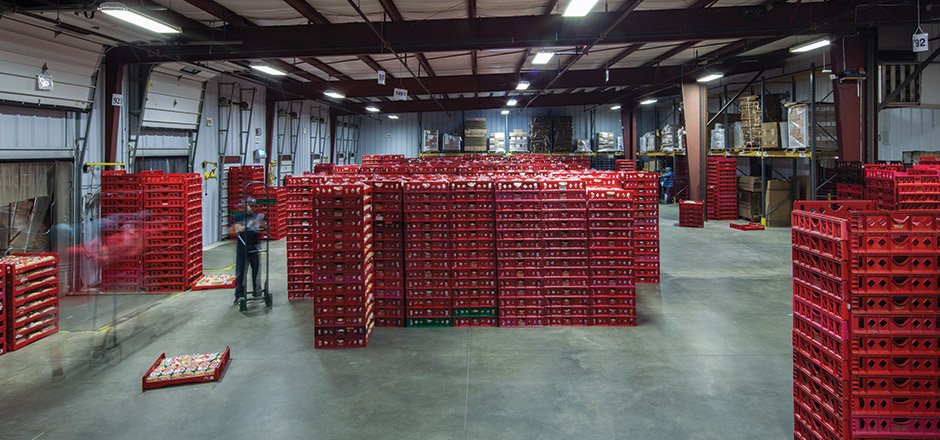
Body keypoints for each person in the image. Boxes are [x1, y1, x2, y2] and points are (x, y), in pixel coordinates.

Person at [230, 202, 265, 304]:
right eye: (250, 205)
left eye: (254, 206)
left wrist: (260, 222)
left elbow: (265, 226)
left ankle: (257, 292)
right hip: (242, 248)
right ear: (245, 206)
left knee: (256, 270)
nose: (252, 208)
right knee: (241, 272)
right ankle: (239, 295)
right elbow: (237, 229)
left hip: (254, 247)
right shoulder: (239, 217)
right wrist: (247, 225)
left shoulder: (257, 216)